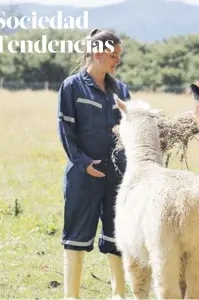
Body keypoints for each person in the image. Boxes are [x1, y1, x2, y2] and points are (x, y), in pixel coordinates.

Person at [57, 28, 130, 299]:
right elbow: (66, 131)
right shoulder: (72, 86)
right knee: (76, 237)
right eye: (113, 55)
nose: (117, 61)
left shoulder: (121, 90)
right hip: (83, 176)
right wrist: (83, 162)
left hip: (118, 177)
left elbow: (131, 127)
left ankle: (119, 295)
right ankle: (71, 296)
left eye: (119, 56)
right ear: (97, 53)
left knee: (117, 237)